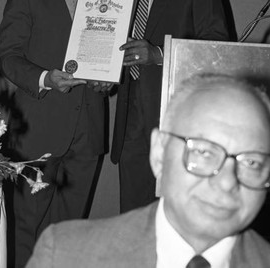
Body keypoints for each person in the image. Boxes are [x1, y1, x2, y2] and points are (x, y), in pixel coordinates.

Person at [25, 73, 270, 268]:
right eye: (204, 152)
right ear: (159, 153)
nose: (227, 182)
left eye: (252, 162)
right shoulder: (66, 256)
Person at [0, 0, 108, 267]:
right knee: (26, 226)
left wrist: (109, 80)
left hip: (87, 130)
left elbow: (108, 58)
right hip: (38, 128)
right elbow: (8, 57)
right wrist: (45, 78)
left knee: (70, 230)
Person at [111, 0, 231, 213]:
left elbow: (217, 46)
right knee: (133, 214)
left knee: (175, 212)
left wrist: (160, 55)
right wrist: (103, 74)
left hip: (177, 116)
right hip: (130, 120)